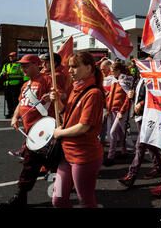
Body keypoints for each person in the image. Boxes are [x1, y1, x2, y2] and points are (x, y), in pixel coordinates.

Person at [50, 52, 106, 208]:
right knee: (58, 200)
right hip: (66, 154)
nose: (69, 71)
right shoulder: (76, 88)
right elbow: (68, 116)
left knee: (86, 201)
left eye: (74, 67)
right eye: (69, 67)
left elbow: (83, 126)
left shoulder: (93, 93)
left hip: (84, 157)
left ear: (88, 68)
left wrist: (59, 133)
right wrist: (58, 103)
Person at [0, 55, 53, 208]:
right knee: (47, 164)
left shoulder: (47, 79)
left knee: (30, 166)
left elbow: (61, 95)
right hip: (30, 133)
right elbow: (21, 103)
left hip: (43, 133)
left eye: (26, 65)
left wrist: (54, 97)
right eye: (21, 66)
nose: (23, 68)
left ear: (37, 65)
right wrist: (15, 117)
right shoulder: (25, 84)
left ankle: (20, 198)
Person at [118, 65, 161, 189]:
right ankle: (158, 167)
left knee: (140, 145)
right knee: (149, 144)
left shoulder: (153, 79)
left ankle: (131, 175)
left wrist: (142, 103)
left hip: (148, 116)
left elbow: (157, 96)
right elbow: (137, 95)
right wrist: (132, 96)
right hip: (139, 116)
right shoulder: (139, 79)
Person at [103, 62, 132, 166]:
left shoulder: (124, 80)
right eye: (111, 70)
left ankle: (111, 156)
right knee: (119, 132)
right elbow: (111, 97)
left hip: (120, 111)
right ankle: (124, 151)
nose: (111, 72)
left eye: (113, 70)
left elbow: (128, 97)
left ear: (119, 70)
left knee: (112, 132)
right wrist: (108, 109)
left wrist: (122, 111)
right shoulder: (115, 81)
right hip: (114, 110)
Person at [0, 52, 25, 118]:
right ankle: (10, 112)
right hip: (7, 85)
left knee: (16, 100)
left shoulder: (19, 65)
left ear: (16, 57)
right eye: (10, 56)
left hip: (16, 85)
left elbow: (24, 74)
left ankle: (16, 113)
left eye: (13, 56)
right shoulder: (6, 65)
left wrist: (25, 83)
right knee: (8, 99)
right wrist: (3, 74)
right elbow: (1, 74)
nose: (11, 58)